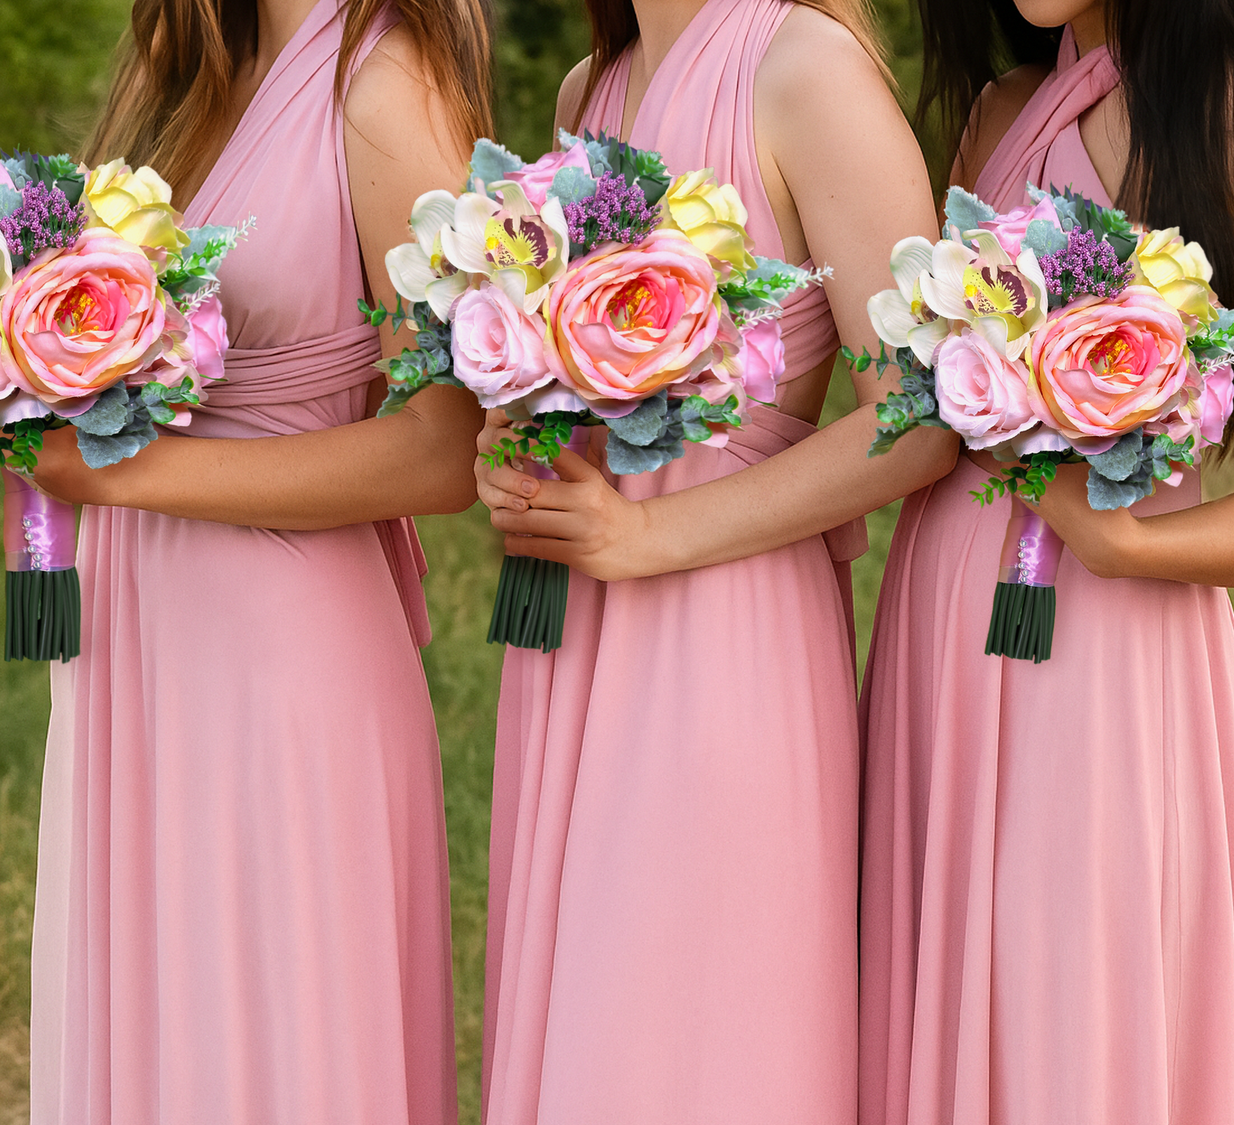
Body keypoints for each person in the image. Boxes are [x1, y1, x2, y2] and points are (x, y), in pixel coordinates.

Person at [471, 0, 955, 1119]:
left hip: (724, 622)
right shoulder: (591, 88)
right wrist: (524, 431)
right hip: (576, 614)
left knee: (693, 1029)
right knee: (589, 1018)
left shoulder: (808, 70)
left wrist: (651, 534)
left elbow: (924, 416)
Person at [22, 0, 491, 1120]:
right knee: (160, 1021)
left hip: (278, 652)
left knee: (273, 1043)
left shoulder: (381, 89)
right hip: (148, 631)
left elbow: (444, 449)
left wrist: (126, 476)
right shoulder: (209, 71)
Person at [858, 2, 1234, 1122]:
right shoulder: (1001, 113)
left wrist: (1127, 540)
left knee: (1073, 1017)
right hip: (943, 635)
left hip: (1108, 669)